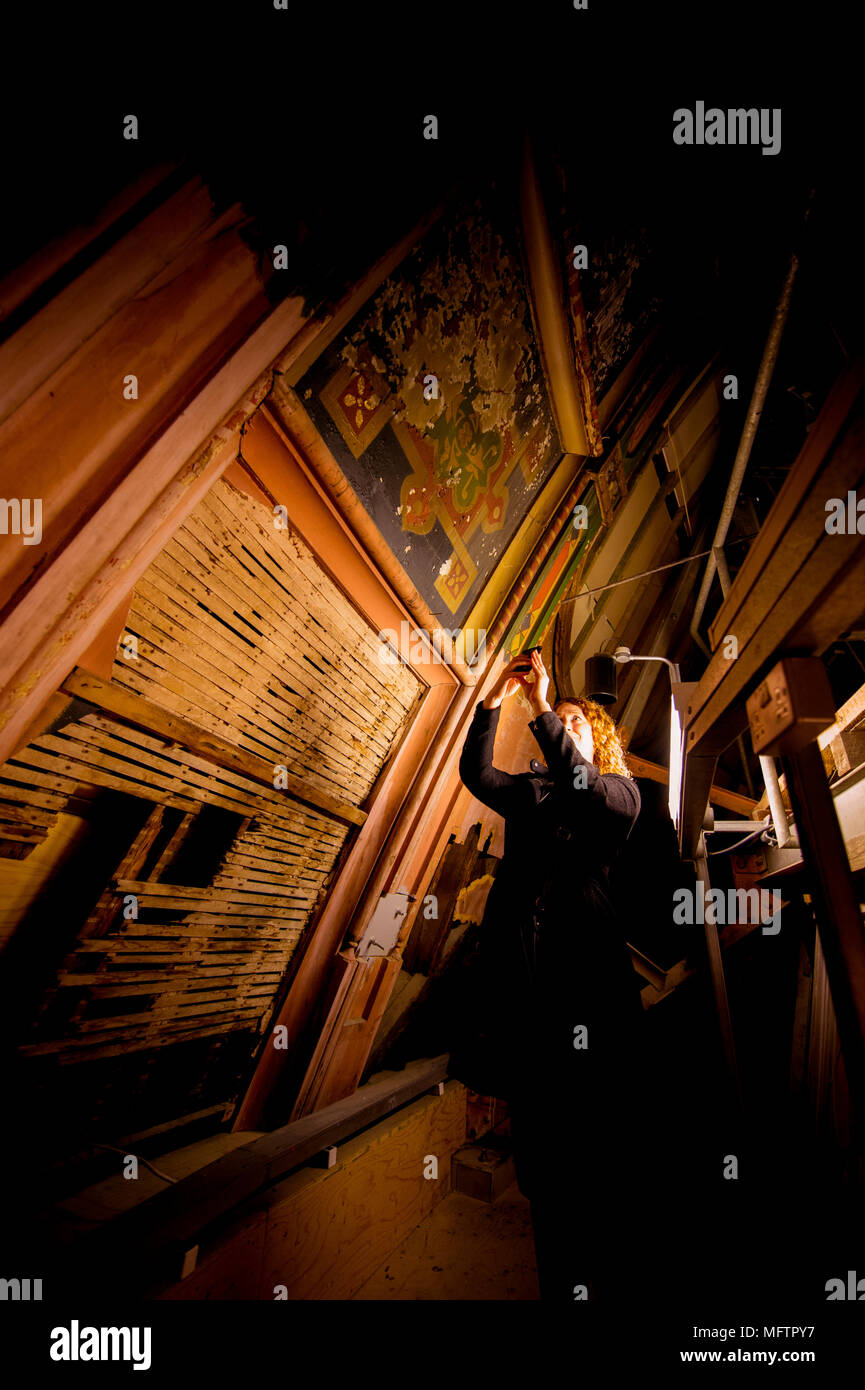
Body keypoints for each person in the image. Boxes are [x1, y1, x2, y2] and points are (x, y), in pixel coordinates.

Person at [454, 649, 646, 1302]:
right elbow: (476, 773)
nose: (560, 726)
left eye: (574, 722)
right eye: (556, 720)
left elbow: (584, 788)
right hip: (528, 994)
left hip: (590, 990)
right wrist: (490, 702)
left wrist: (541, 705)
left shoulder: (620, 796)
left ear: (597, 741)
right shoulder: (532, 798)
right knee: (543, 1164)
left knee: (599, 1145)